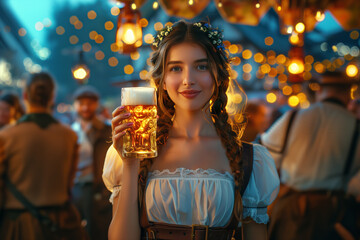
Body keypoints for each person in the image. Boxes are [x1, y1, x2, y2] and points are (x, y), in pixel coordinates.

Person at [102, 20, 279, 240]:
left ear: (218, 77)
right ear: (163, 81)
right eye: (176, 68)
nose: (188, 80)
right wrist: (130, 164)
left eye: (201, 66)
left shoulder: (251, 159)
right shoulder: (132, 153)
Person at [261, 70, 360, 240]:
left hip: (288, 205)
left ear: (319, 90)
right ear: (348, 93)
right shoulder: (355, 127)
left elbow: (264, 154)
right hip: (330, 211)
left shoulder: (294, 116)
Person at [0, 72, 85, 239]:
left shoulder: (6, 136)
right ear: (52, 97)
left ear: (25, 96)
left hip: (18, 226)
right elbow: (69, 185)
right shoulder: (69, 136)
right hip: (62, 225)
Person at [71, 85, 112, 240]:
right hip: (77, 188)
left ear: (97, 104)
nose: (85, 107)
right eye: (81, 103)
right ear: (75, 105)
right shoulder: (72, 131)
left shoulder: (106, 129)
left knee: (99, 231)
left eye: (90, 103)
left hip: (100, 189)